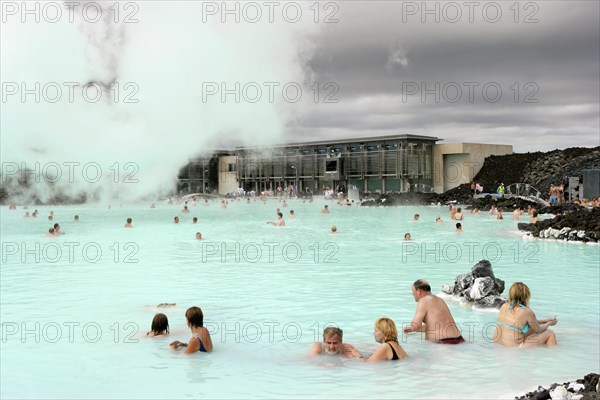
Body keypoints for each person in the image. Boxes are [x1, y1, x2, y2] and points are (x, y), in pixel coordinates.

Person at [493, 282, 557, 347]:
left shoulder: (504, 306)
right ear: (526, 295)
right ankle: (552, 354)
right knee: (549, 333)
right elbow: (538, 330)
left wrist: (546, 321)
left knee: (530, 330)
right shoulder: (526, 311)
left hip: (497, 343)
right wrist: (549, 323)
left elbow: (530, 324)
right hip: (514, 347)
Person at [403, 279, 465, 344]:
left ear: (418, 291)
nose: (412, 294)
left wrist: (413, 327)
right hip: (459, 339)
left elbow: (415, 325)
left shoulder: (423, 300)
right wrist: (411, 329)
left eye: (413, 291)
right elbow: (435, 327)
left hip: (444, 343)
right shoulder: (440, 300)